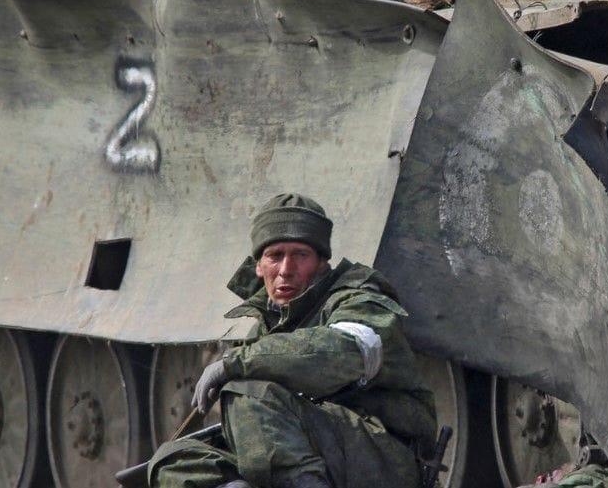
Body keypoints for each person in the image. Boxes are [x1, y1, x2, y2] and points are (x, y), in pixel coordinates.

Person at [148, 194, 437, 488]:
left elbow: (343, 351)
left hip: (383, 457)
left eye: (300, 255)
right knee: (174, 462)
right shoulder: (272, 322)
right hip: (321, 453)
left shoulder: (359, 299)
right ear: (259, 266)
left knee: (248, 392)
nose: (286, 269)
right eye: (275, 256)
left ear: (321, 263)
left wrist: (233, 364)